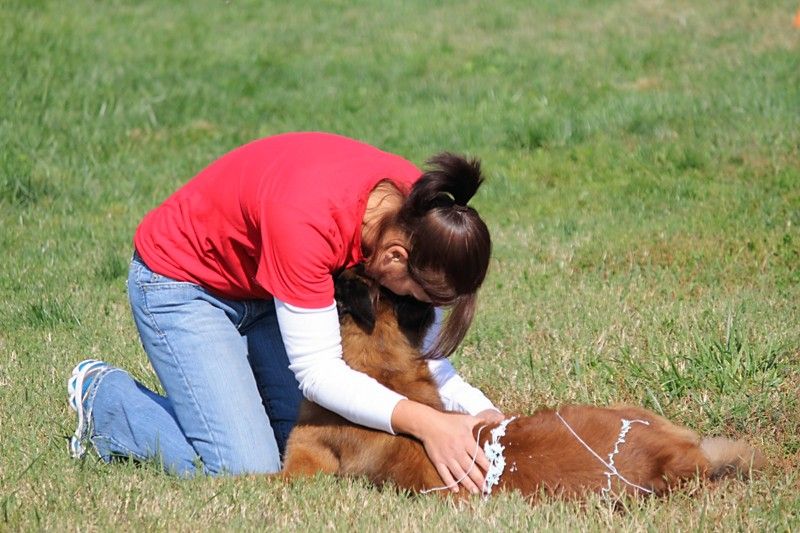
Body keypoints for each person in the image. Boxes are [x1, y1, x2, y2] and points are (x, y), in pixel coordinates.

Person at [67, 132, 503, 494]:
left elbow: (424, 357)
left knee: (296, 444)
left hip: (269, 291)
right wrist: (428, 422)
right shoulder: (310, 223)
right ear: (394, 257)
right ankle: (107, 400)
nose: (423, 307)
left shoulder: (428, 216)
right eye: (425, 295)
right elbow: (319, 372)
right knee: (244, 471)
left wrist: (489, 418)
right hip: (182, 284)